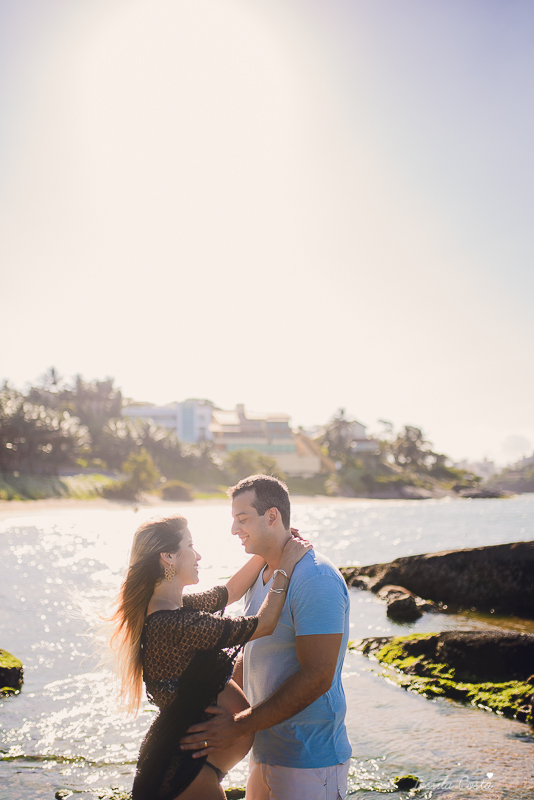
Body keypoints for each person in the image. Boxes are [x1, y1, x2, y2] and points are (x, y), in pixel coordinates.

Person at [107, 513, 311, 800]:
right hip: (185, 773)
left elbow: (229, 592)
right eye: (190, 545)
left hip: (195, 768)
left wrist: (268, 551)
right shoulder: (172, 624)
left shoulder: (176, 607)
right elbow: (262, 624)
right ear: (168, 556)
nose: (198, 554)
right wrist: (286, 565)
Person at [180, 475, 352, 800]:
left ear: (272, 516)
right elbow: (256, 650)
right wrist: (226, 715)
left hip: (308, 759)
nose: (233, 530)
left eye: (242, 519)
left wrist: (239, 724)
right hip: (265, 747)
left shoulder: (315, 578)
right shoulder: (264, 574)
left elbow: (318, 677)